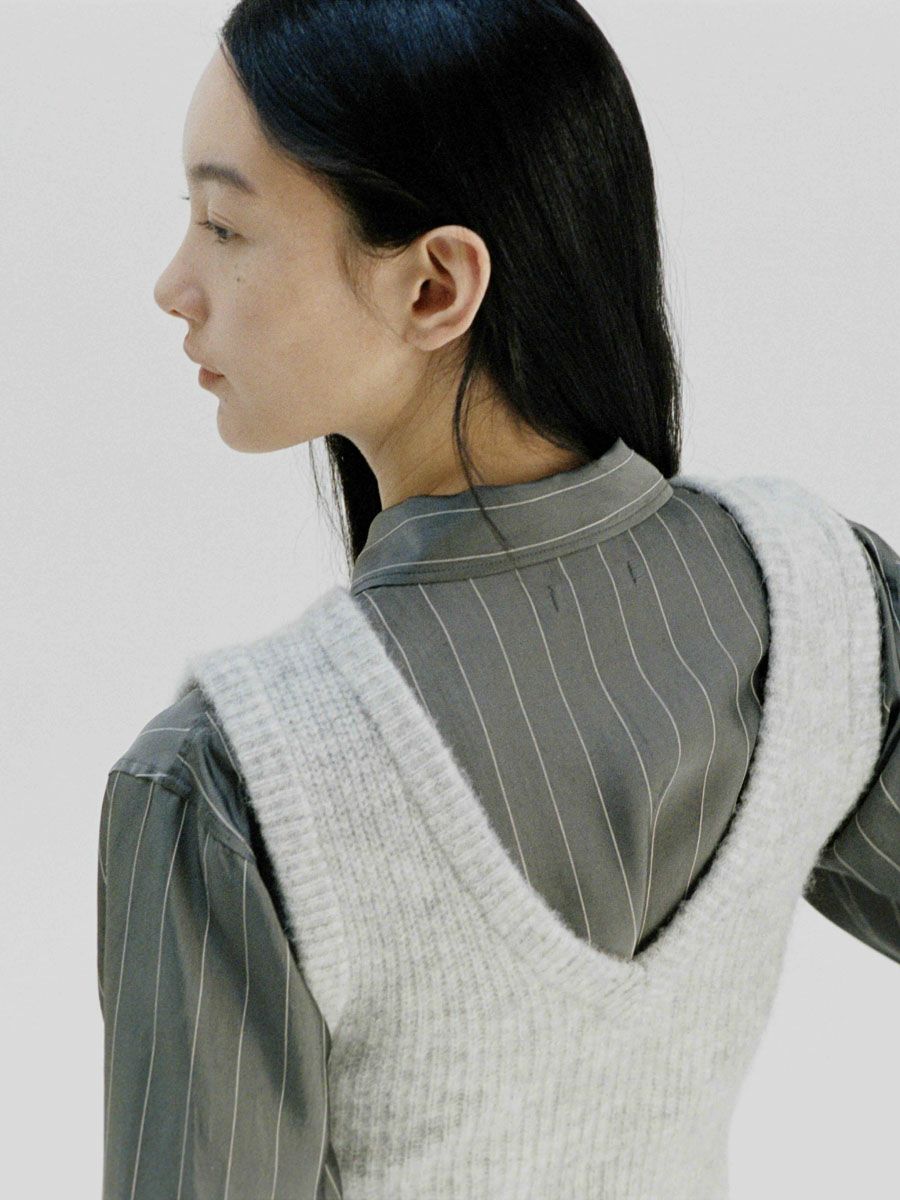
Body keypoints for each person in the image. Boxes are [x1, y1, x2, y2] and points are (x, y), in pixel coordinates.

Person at [97, 4, 899, 1197]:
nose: (174, 286)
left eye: (224, 225)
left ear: (436, 286)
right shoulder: (821, 598)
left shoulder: (228, 781)